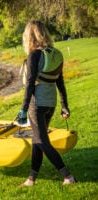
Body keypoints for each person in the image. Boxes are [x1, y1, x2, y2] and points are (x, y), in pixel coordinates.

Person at [16, 21, 76, 186]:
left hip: (37, 105)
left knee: (42, 142)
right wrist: (64, 105)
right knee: (37, 140)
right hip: (50, 104)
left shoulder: (34, 55)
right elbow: (60, 82)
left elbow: (29, 83)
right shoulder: (55, 53)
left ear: (29, 36)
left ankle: (68, 176)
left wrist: (23, 109)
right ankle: (31, 179)